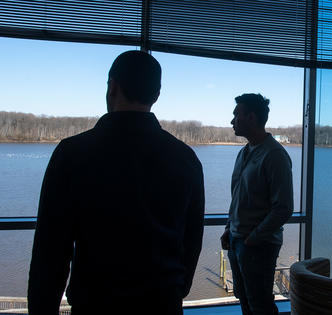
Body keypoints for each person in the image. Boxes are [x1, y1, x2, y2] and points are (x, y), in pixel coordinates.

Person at [27, 50, 205, 315]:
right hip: (163, 303)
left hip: (95, 304)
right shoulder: (186, 159)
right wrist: (177, 289)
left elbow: (50, 252)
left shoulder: (72, 153)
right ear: (156, 95)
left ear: (112, 87)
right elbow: (192, 241)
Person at [220, 93, 294, 315]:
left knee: (260, 304)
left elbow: (284, 207)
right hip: (237, 240)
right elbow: (238, 199)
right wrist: (228, 229)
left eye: (236, 115)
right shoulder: (244, 153)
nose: (232, 120)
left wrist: (254, 237)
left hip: (257, 246)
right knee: (244, 298)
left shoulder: (275, 155)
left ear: (251, 117)